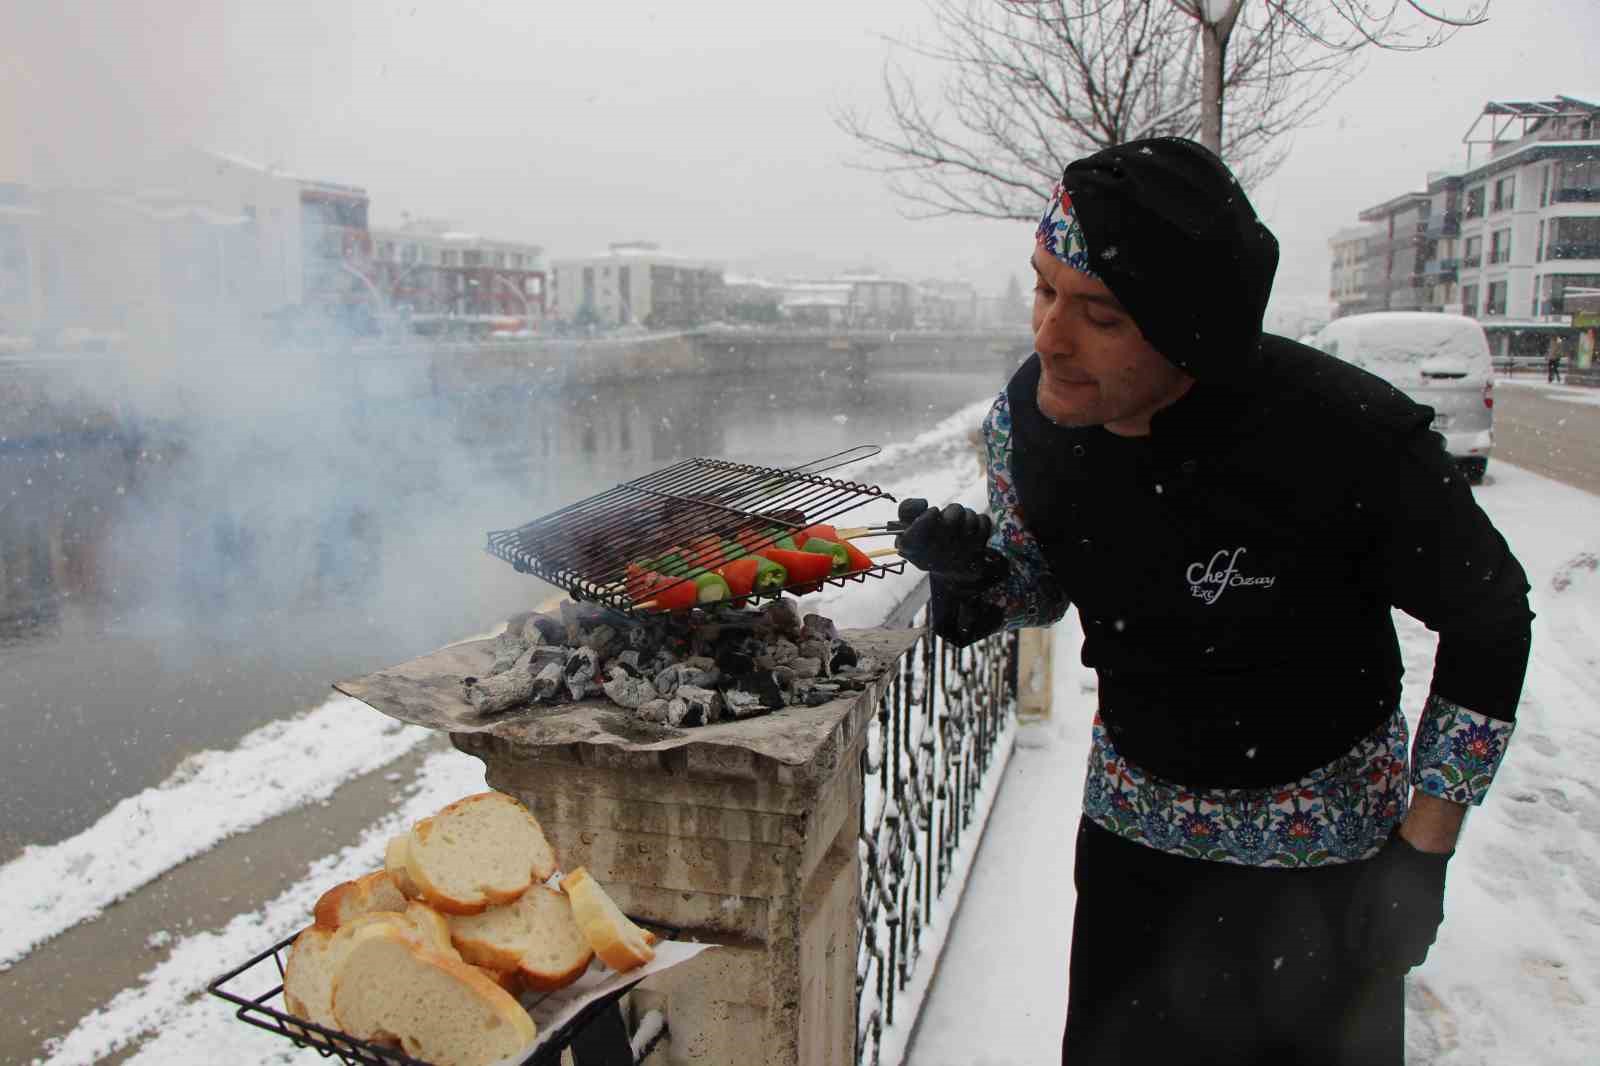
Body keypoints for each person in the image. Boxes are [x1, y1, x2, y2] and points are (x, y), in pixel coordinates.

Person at [895, 138, 1532, 1066]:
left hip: (1326, 858)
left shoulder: (1345, 437)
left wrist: (1423, 854)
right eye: (1042, 291)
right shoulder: (1029, 419)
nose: (1048, 340)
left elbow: (1492, 619)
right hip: (1134, 844)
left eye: (1099, 313)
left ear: (1190, 327)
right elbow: (1039, 586)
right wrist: (977, 579)